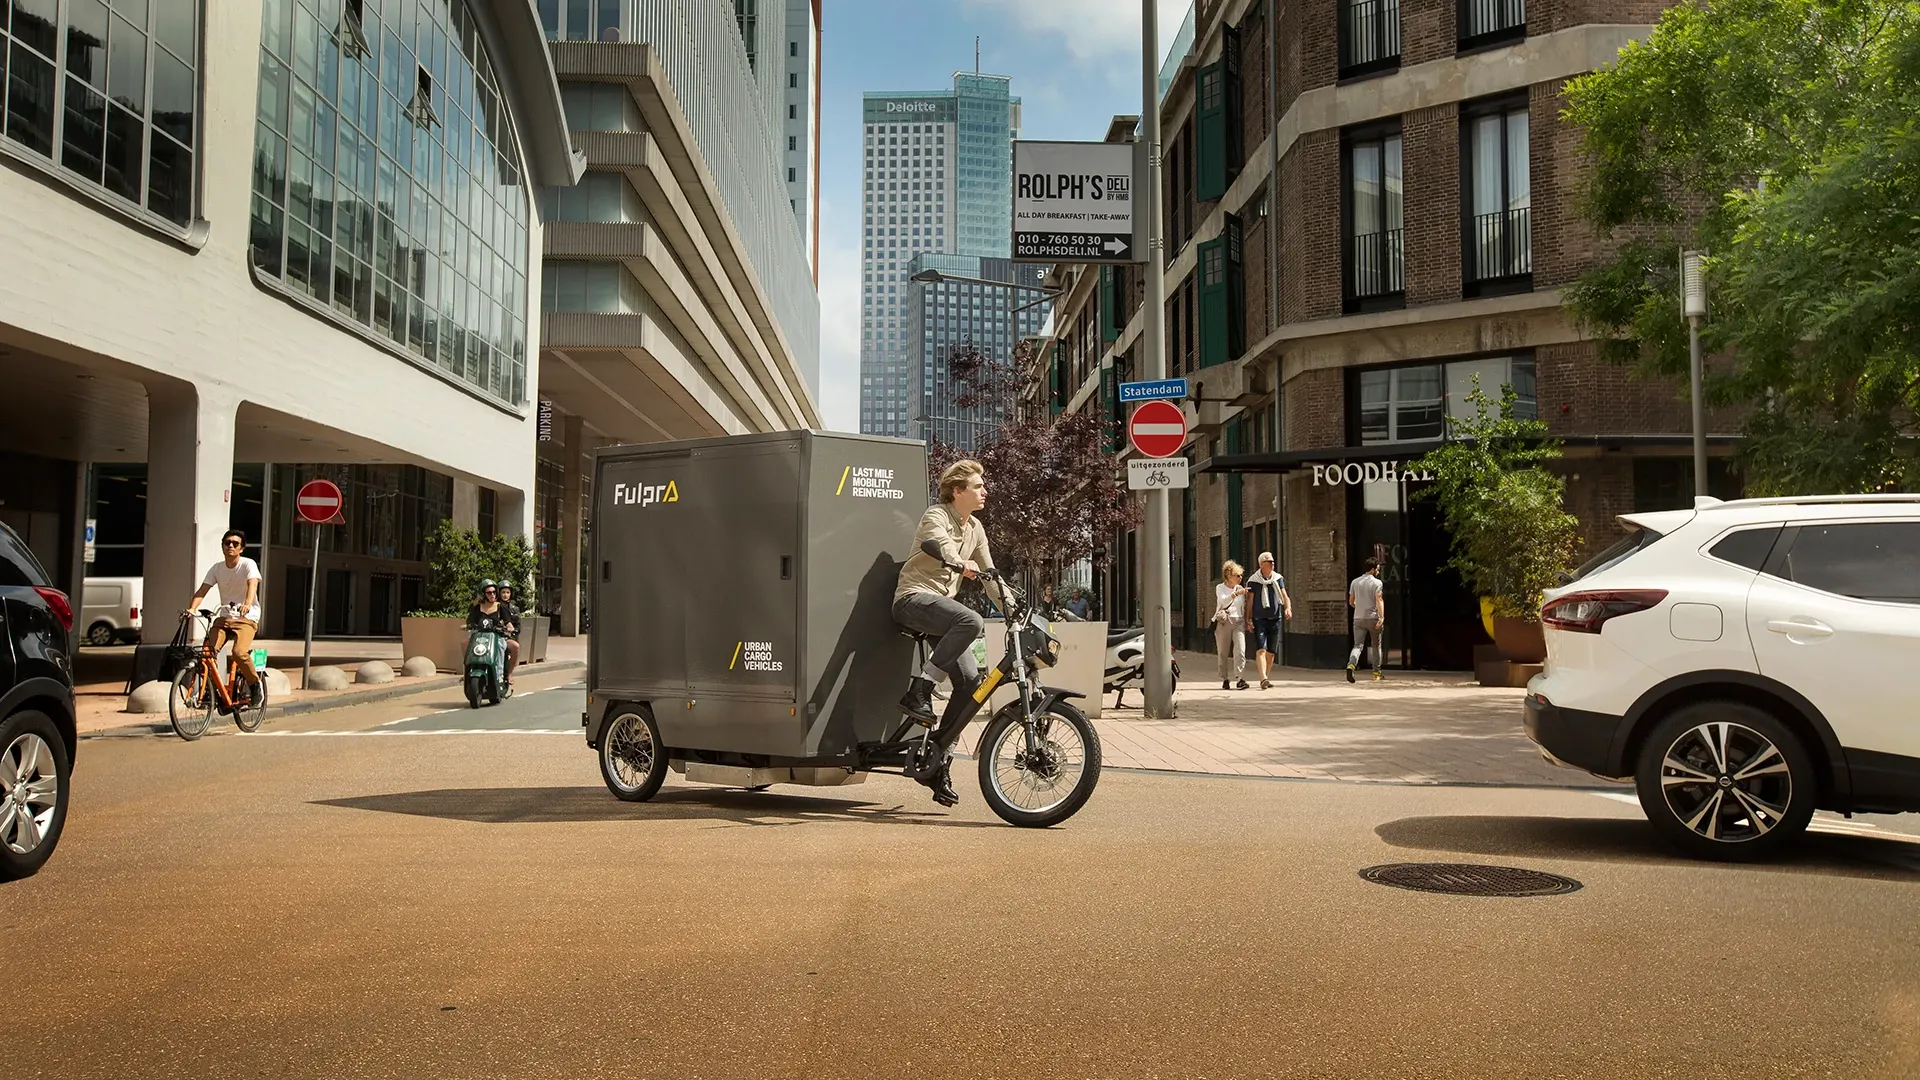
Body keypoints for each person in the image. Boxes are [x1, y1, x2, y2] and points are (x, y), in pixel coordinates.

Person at [893, 459, 1002, 807]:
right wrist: (958, 562)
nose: (984, 490)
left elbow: (991, 578)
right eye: (977, 486)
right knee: (971, 621)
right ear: (957, 491)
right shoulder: (936, 516)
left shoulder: (977, 529)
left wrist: (1013, 605)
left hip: (941, 613)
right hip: (913, 600)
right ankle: (919, 691)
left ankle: (938, 760)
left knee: (972, 684)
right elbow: (940, 545)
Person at [183, 529, 264, 707]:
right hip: (225, 617)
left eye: (235, 544)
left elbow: (252, 585)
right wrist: (191, 609)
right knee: (207, 654)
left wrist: (247, 604)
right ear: (222, 546)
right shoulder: (217, 568)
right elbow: (203, 590)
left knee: (239, 652)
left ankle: (255, 685)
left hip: (246, 618)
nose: (231, 546)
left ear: (242, 548)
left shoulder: (248, 564)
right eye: (227, 543)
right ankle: (210, 692)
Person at [1245, 552, 1292, 690]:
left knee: (1271, 652)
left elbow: (1285, 596)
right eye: (1269, 561)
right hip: (1259, 619)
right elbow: (1250, 602)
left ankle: (1265, 677)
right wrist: (1248, 619)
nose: (1272, 563)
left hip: (1275, 619)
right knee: (1261, 649)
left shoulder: (1278, 579)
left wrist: (1288, 608)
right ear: (1261, 564)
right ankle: (1263, 678)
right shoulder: (1254, 581)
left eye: (1272, 561)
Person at [468, 580, 521, 688]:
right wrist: (467, 626)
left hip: (497, 636)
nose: (492, 594)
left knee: (502, 646)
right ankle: (467, 671)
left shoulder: (500, 607)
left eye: (494, 592)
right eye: (489, 593)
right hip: (481, 637)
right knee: (465, 644)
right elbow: (470, 621)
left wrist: (509, 627)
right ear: (483, 594)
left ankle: (500, 676)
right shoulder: (477, 608)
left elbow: (508, 622)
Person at [1348, 556, 1386, 683]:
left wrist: (1358, 607)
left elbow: (1351, 601)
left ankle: (1351, 665)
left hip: (1358, 618)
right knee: (1376, 646)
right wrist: (1381, 617)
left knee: (1358, 645)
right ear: (1372, 569)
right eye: (1377, 569)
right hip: (1373, 618)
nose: (1378, 572)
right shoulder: (1377, 583)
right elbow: (1379, 600)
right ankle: (1376, 673)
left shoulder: (1355, 582)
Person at [1214, 560, 1250, 690]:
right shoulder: (1220, 588)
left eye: (1241, 575)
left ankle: (1240, 678)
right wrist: (1234, 594)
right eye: (1237, 575)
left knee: (1240, 649)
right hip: (1225, 621)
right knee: (1223, 652)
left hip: (1238, 621)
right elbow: (1223, 601)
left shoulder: (1240, 588)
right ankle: (1225, 678)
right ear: (1229, 576)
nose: (1240, 578)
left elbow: (1243, 606)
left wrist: (1247, 620)